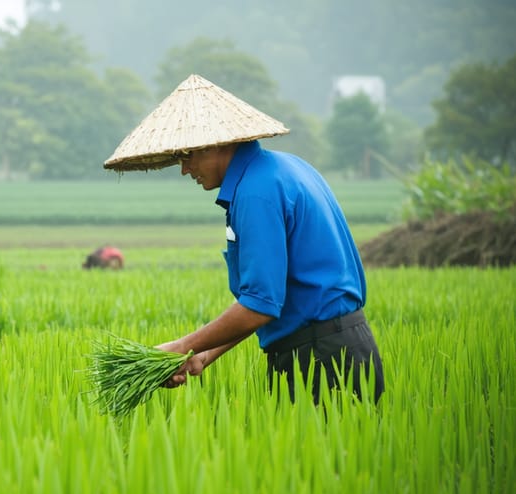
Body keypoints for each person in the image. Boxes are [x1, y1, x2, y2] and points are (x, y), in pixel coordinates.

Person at [103, 74, 384, 403]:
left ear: (218, 142)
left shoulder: (255, 193)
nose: (184, 168)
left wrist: (182, 346)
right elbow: (267, 300)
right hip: (344, 347)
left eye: (188, 154)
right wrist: (202, 354)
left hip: (318, 360)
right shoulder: (287, 168)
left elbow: (260, 305)